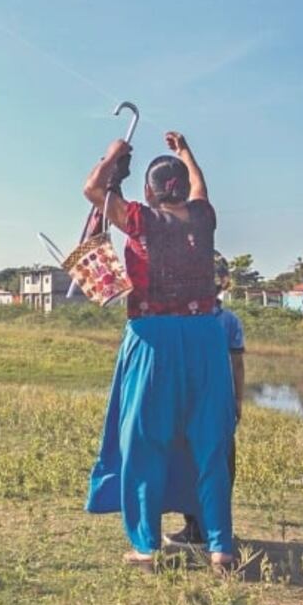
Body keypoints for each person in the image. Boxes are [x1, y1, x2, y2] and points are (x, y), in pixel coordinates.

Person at [84, 132, 236, 571]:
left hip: (152, 338)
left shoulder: (139, 219)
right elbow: (200, 186)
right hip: (206, 337)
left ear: (149, 191)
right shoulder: (203, 218)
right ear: (181, 187)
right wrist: (186, 150)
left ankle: (146, 548)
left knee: (144, 441)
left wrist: (112, 154)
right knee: (211, 442)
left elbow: (92, 190)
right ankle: (220, 548)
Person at [165, 260, 245, 548]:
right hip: (204, 400)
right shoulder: (210, 319)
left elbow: (236, 364)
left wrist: (236, 399)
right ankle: (201, 526)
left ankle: (205, 528)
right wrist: (237, 399)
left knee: (205, 461)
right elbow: (236, 365)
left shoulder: (221, 321)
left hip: (205, 400)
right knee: (204, 462)